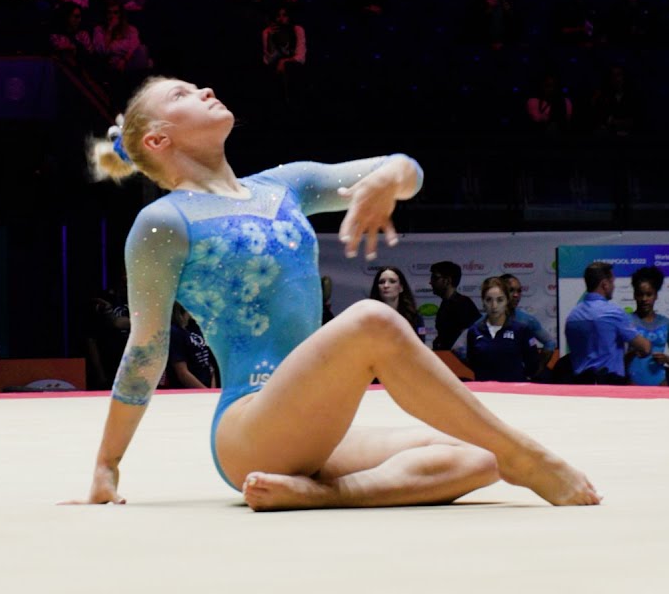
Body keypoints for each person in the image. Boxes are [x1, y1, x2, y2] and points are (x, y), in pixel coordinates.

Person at [68, 77, 599, 510]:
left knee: (478, 460)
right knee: (371, 319)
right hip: (250, 427)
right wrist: (107, 465)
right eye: (181, 95)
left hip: (319, 428)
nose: (205, 89)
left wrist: (390, 178)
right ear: (159, 140)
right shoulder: (163, 222)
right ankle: (528, 457)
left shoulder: (285, 185)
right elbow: (146, 347)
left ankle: (324, 493)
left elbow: (407, 168)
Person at [563, 262, 652, 385]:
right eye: (612, 282)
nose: (613, 286)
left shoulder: (573, 316)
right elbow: (645, 347)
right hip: (608, 383)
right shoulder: (612, 312)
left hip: (579, 384)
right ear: (604, 284)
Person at [450, 277, 528, 382]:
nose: (494, 305)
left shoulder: (520, 330)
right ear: (483, 302)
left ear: (507, 301)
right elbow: (469, 358)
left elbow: (532, 363)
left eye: (500, 300)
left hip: (515, 392)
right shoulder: (474, 331)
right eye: (489, 300)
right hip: (485, 392)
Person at [625, 266, 669, 386]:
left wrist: (666, 359)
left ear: (656, 295)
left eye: (649, 294)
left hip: (660, 384)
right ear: (634, 295)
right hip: (632, 385)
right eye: (640, 294)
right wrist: (632, 353)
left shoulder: (667, 323)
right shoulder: (626, 321)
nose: (644, 299)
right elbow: (615, 360)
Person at [499, 274, 559, 379]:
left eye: (519, 291)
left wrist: (537, 370)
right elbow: (460, 348)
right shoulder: (483, 321)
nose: (516, 295)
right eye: (511, 290)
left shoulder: (526, 320)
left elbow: (550, 342)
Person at [429, 261, 480, 351]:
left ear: (448, 281)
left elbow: (470, 336)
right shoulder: (446, 303)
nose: (430, 282)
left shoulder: (463, 304)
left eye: (435, 278)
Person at [369, 266, 426, 343]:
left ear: (401, 288)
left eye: (392, 281)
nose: (386, 286)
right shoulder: (369, 317)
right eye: (381, 282)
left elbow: (421, 343)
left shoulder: (416, 317)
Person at [168, 302, 218, 388]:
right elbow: (182, 373)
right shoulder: (175, 331)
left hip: (208, 386)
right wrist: (205, 393)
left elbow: (209, 364)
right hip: (188, 392)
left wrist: (212, 390)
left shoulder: (194, 326)